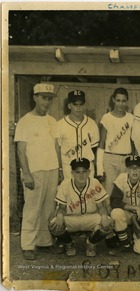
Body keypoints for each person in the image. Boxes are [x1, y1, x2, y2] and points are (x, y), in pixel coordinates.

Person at [14, 83, 63, 260]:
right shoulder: (25, 121)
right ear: (35, 98)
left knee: (48, 208)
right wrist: (26, 173)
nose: (46, 102)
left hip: (51, 169)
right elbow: (21, 150)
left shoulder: (52, 121)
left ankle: (44, 242)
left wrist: (59, 169)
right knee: (32, 208)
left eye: (49, 98)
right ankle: (28, 245)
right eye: (43, 98)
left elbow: (56, 148)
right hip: (33, 171)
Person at [48, 158, 113, 257]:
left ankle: (91, 243)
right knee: (53, 224)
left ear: (89, 172)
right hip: (72, 218)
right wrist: (60, 216)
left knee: (109, 222)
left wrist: (104, 216)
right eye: (77, 172)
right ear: (72, 173)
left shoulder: (94, 183)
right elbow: (62, 208)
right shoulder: (65, 184)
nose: (81, 175)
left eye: (84, 172)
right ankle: (69, 244)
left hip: (90, 217)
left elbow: (101, 207)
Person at [110, 155, 140, 255]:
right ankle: (125, 244)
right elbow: (114, 202)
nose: (134, 171)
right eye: (131, 168)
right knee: (116, 213)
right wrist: (135, 208)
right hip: (126, 213)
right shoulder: (121, 178)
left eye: (137, 168)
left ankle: (131, 234)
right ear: (127, 170)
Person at [96, 87, 134, 195]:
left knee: (125, 191)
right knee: (109, 191)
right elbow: (102, 143)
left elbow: (133, 141)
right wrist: (99, 168)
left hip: (126, 159)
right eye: (118, 100)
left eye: (123, 101)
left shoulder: (131, 118)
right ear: (113, 100)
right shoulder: (106, 118)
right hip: (110, 158)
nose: (121, 104)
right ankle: (108, 211)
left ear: (127, 101)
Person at [57, 90, 99, 179]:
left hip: (87, 167)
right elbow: (58, 149)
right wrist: (59, 169)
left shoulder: (92, 123)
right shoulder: (60, 125)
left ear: (84, 105)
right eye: (75, 104)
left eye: (81, 104)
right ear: (69, 105)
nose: (78, 108)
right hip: (68, 167)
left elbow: (95, 148)